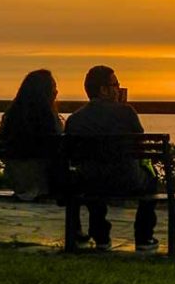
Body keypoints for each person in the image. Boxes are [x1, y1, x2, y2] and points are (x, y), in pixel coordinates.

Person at [65, 65, 158, 253]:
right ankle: (143, 236)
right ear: (104, 89)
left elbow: (72, 157)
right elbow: (140, 147)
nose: (118, 88)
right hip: (127, 180)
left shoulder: (75, 119)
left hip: (90, 182)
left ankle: (100, 236)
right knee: (152, 180)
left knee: (93, 174)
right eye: (115, 84)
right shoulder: (126, 112)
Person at [0, 69, 89, 244]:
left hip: (17, 178)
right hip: (39, 181)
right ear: (44, 91)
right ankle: (78, 231)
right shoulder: (46, 117)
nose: (57, 92)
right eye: (53, 88)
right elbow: (58, 151)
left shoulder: (12, 115)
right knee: (80, 181)